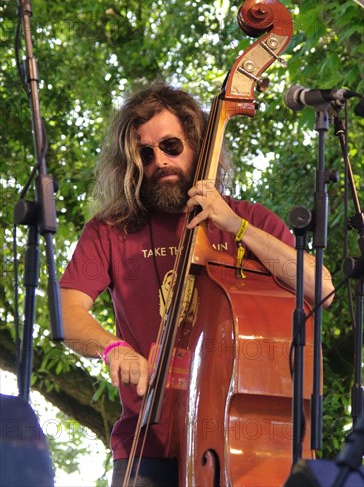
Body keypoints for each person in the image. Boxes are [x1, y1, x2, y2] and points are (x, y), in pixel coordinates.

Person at [60, 84, 334, 486]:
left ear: (198, 145)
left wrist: (234, 226)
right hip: (146, 444)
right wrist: (113, 348)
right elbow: (66, 312)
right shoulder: (109, 231)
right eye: (145, 154)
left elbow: (321, 288)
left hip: (237, 444)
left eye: (171, 145)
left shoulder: (247, 218)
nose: (159, 161)